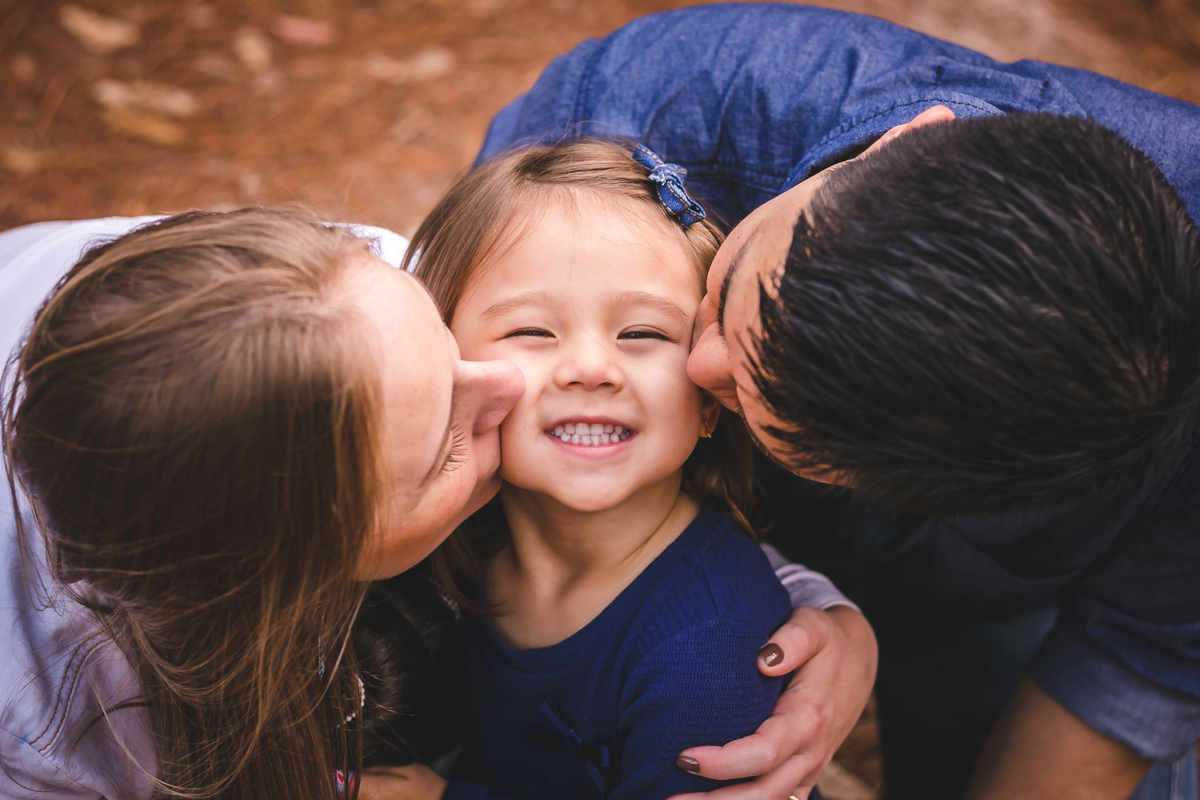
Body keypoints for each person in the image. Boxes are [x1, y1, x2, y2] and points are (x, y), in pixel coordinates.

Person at [474, 4, 1200, 800]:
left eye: (755, 409)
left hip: (1018, 602)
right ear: (907, 139)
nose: (695, 358)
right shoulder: (651, 104)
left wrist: (836, 617)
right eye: (733, 288)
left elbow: (1136, 662)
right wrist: (812, 595)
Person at [0, 209, 525, 800]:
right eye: (445, 451)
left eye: (443, 335)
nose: (510, 381)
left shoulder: (356, 293)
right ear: (280, 582)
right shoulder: (48, 746)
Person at [396, 137, 850, 800]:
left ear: (710, 396)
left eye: (642, 334)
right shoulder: (449, 534)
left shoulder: (709, 656)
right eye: (532, 332)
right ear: (446, 362)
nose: (591, 368)